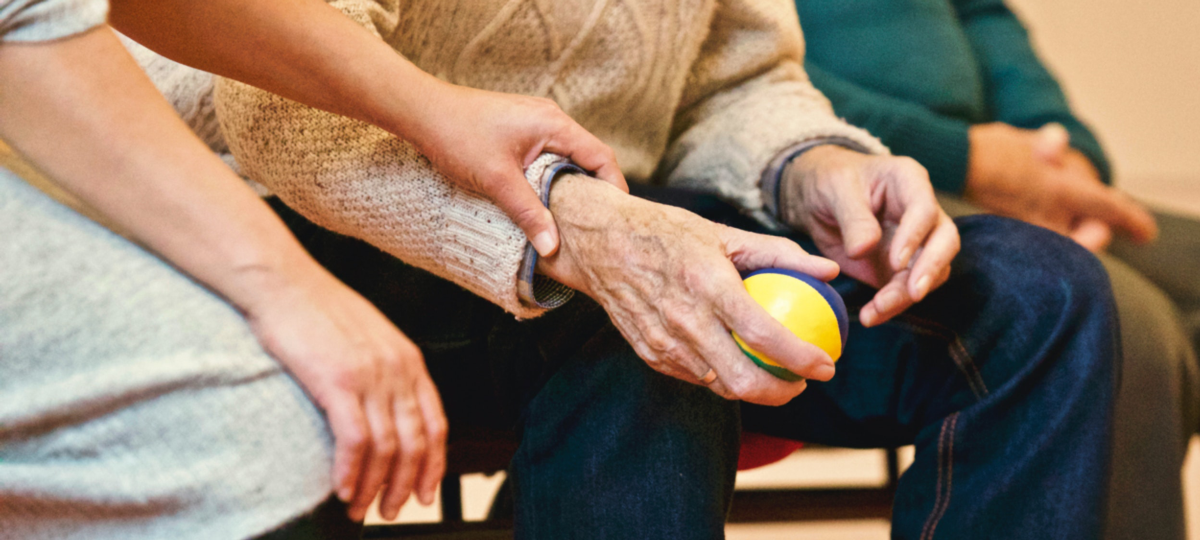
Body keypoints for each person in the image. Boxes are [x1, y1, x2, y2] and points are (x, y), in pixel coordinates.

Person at [213, 0, 1122, 537]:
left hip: (634, 205)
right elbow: (279, 106)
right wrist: (578, 224)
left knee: (1040, 298)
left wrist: (816, 168)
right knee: (649, 327)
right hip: (326, 212)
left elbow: (737, 80)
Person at [0, 0, 627, 536]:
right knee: (257, 440)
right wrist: (289, 289)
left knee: (633, 328)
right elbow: (31, 24)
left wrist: (439, 110)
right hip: (217, 179)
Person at [791, 0, 1200, 537]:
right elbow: (741, 75)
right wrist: (967, 158)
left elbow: (983, 13)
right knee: (1114, 317)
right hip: (833, 173)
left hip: (992, 169)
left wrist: (1065, 156)